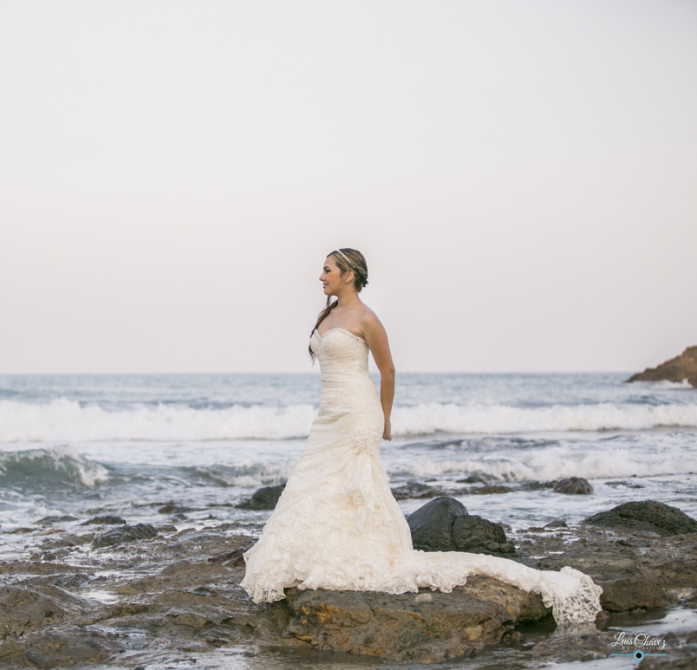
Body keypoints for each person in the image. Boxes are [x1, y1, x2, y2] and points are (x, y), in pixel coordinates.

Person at [239, 248, 602, 626]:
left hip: (358, 412)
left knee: (355, 483)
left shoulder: (367, 318)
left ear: (349, 275)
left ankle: (360, 552)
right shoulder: (328, 315)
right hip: (329, 413)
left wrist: (386, 419)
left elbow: (388, 370)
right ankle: (321, 550)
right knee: (318, 480)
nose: (320, 276)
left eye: (327, 270)